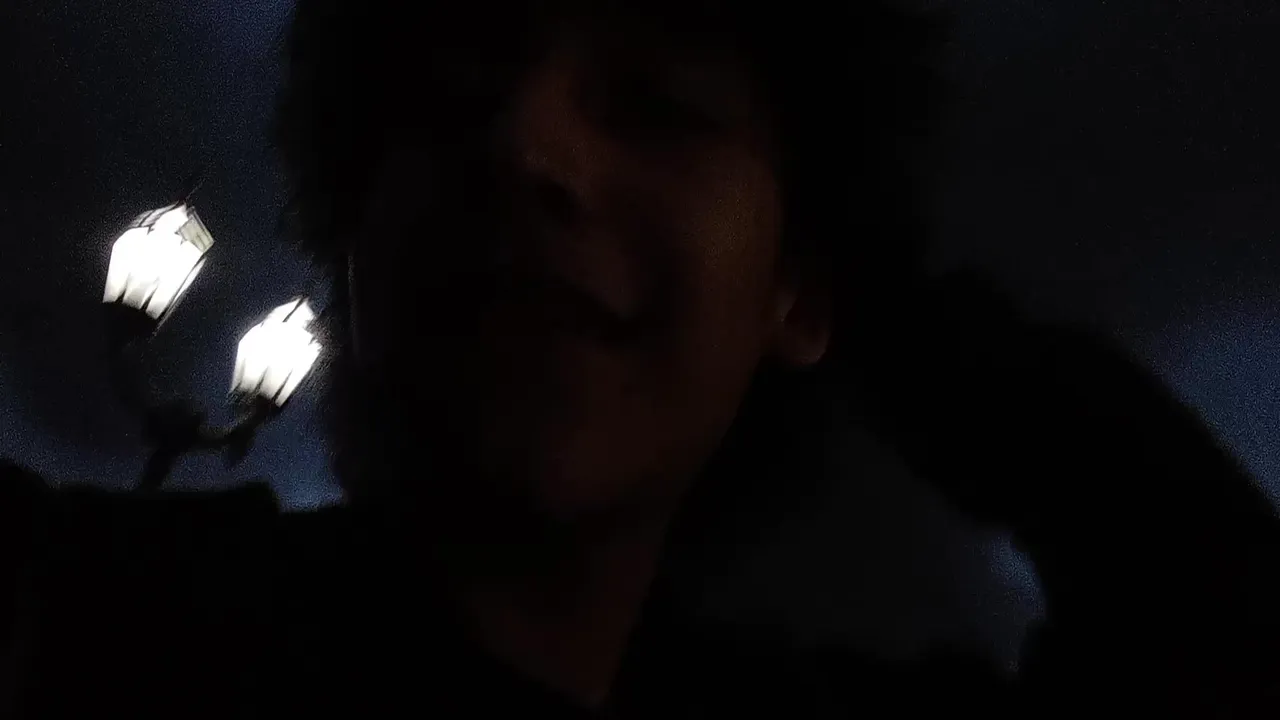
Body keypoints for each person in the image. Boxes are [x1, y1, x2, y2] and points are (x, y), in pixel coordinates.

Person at [5, 0, 1280, 717]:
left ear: (801, 288)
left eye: (659, 110)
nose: (523, 148)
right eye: (451, 100)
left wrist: (859, 293)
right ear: (354, 245)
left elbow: (1211, 614)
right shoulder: (81, 623)